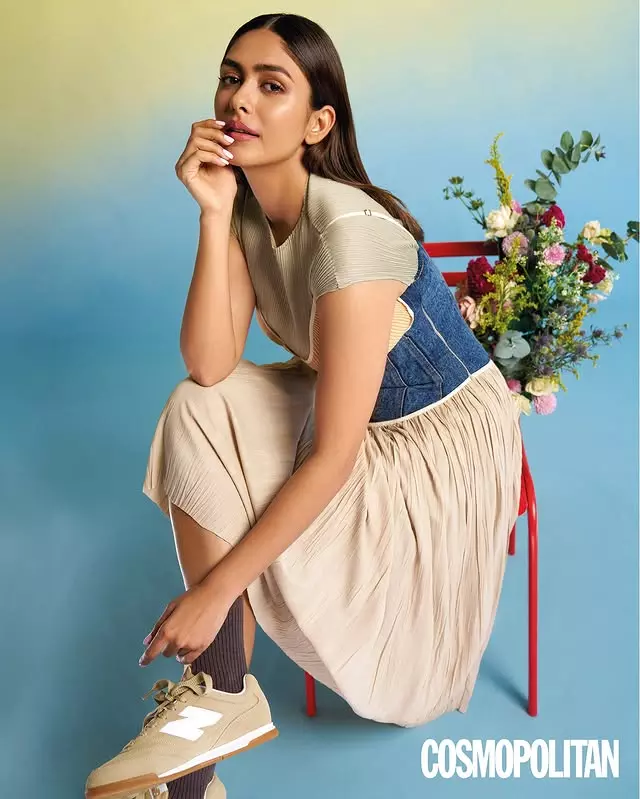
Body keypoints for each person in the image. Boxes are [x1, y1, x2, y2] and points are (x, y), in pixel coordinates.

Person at [85, 12, 522, 799]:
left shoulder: (349, 233)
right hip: (347, 408)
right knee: (196, 407)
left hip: (428, 434)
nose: (239, 99)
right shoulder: (247, 207)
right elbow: (209, 364)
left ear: (318, 123)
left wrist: (214, 590)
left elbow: (335, 456)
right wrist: (213, 212)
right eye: (231, 78)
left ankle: (193, 760)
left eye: (270, 85)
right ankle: (218, 705)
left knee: (232, 464)